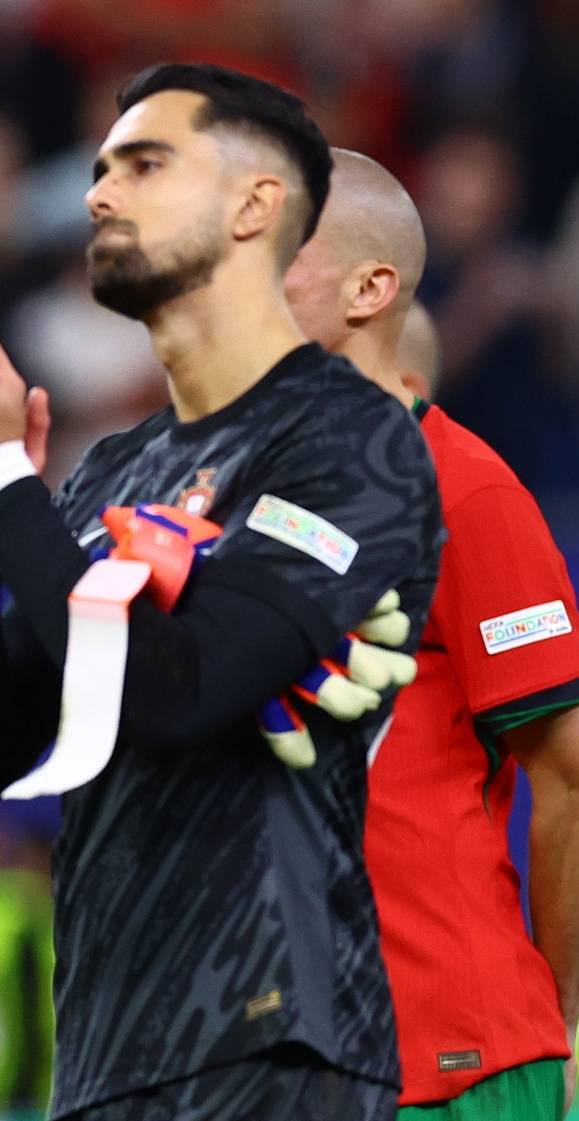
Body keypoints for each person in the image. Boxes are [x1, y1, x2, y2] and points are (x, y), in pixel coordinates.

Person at [0, 63, 441, 1120]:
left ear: (255, 208)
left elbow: (180, 690)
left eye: (146, 164)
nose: (100, 193)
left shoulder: (352, 439)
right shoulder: (113, 468)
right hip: (106, 1046)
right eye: (101, 170)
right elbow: (22, 712)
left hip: (272, 1037)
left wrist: (10, 473)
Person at [283, 149, 579, 1120]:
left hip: (443, 1060)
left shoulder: (462, 489)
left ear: (370, 287)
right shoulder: (219, 494)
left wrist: (546, 1023)